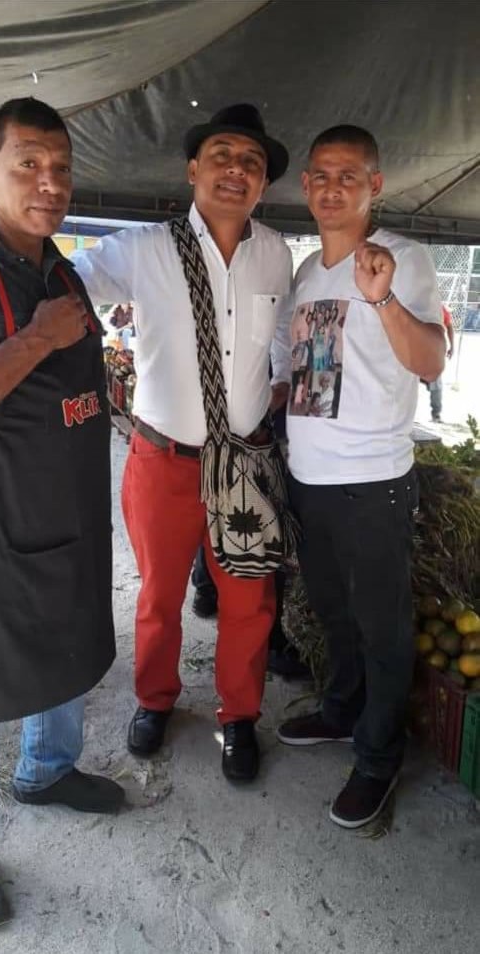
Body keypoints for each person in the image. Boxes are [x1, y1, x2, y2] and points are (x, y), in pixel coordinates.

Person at [0, 98, 123, 932]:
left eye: (61, 167)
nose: (50, 182)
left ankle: (48, 769)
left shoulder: (61, 270)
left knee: (70, 635)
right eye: (28, 165)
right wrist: (42, 339)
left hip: (66, 499)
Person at [72, 104, 292, 783]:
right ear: (193, 169)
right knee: (159, 595)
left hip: (244, 459)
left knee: (249, 598)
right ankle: (155, 698)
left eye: (252, 162)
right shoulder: (144, 248)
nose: (236, 169)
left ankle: (239, 715)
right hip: (162, 459)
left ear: (263, 183)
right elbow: (68, 279)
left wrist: (281, 380)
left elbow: (285, 329)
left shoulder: (276, 253)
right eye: (222, 155)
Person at [276, 125, 445, 829]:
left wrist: (381, 298)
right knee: (333, 611)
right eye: (320, 174)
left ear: (374, 185)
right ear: (305, 185)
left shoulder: (403, 259)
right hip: (308, 477)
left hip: (375, 481)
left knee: (383, 626)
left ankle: (379, 755)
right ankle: (343, 711)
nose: (332, 187)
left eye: (349, 175)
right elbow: (298, 369)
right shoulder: (305, 273)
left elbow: (431, 361)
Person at [426, 304, 454, 421]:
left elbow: (449, 326)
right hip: (416, 348)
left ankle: (436, 413)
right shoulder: (413, 303)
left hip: (435, 350)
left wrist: (452, 346)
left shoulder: (439, 307)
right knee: (408, 382)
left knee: (435, 383)